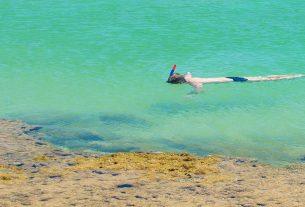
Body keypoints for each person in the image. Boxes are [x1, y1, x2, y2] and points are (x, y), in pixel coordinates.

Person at [167, 72, 304, 93]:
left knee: (262, 79)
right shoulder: (189, 77)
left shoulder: (191, 82)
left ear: (179, 83)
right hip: (229, 78)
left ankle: (297, 76)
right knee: (262, 77)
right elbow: (189, 73)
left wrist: (193, 94)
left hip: (232, 81)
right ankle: (295, 76)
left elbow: (200, 87)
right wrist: (173, 76)